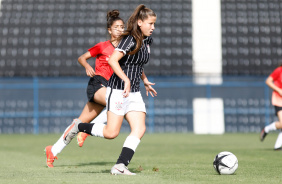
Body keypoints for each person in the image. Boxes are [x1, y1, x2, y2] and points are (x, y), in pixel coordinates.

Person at [63, 4, 157, 175]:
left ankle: (120, 166)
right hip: (118, 90)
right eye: (150, 23)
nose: (153, 27)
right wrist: (126, 79)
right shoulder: (129, 39)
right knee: (111, 133)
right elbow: (113, 60)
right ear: (140, 22)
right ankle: (79, 126)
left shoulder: (147, 40)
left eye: (154, 24)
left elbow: (137, 63)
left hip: (134, 91)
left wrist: (144, 80)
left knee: (139, 128)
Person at [44, 9, 125, 168]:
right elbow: (82, 57)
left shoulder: (124, 49)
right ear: (109, 30)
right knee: (118, 103)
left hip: (108, 88)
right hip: (97, 84)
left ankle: (52, 150)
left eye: (122, 27)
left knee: (79, 123)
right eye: (116, 27)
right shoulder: (102, 46)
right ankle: (86, 131)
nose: (120, 29)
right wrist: (87, 66)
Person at [260, 65, 282, 150]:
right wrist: (279, 90)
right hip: (279, 99)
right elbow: (268, 81)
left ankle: (277, 146)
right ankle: (267, 129)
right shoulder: (279, 70)